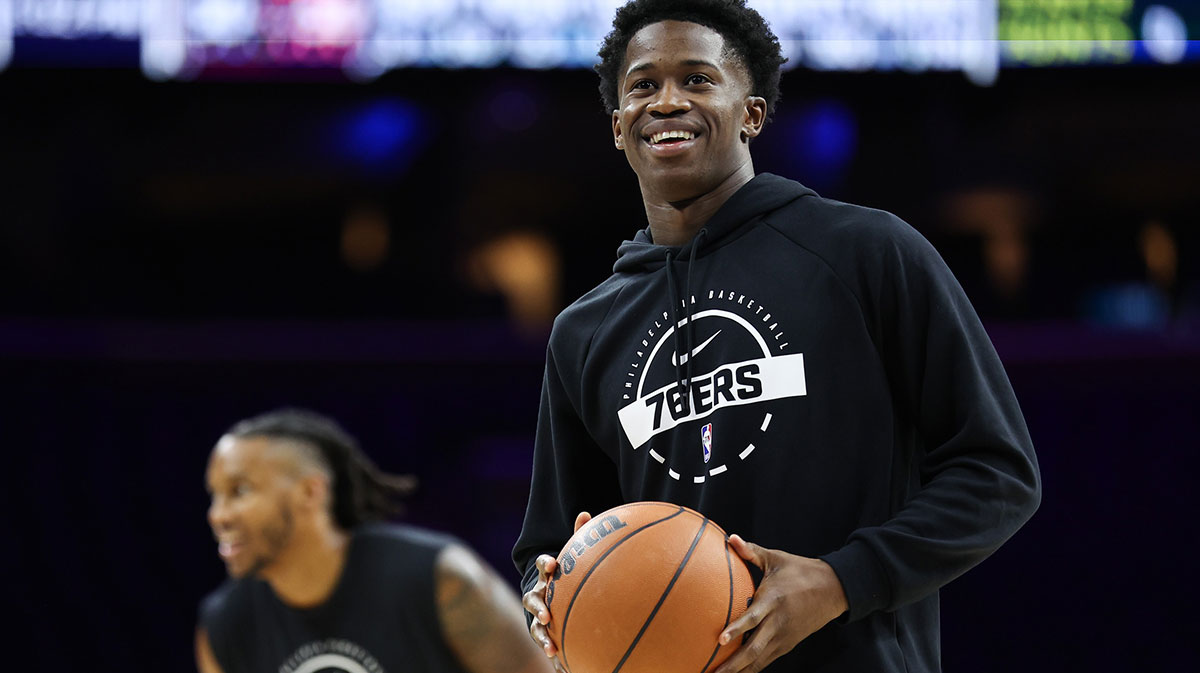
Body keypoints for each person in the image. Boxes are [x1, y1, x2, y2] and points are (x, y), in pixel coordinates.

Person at [512, 1, 1041, 672]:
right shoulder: (583, 330)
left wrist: (840, 579)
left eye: (698, 80)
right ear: (619, 127)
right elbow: (548, 545)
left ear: (752, 114)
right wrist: (547, 594)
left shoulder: (866, 253)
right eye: (644, 85)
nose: (667, 100)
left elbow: (998, 471)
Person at [197, 408, 553, 673]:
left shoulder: (438, 578)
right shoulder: (225, 623)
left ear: (310, 491)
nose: (219, 515)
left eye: (239, 491)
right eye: (214, 496)